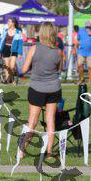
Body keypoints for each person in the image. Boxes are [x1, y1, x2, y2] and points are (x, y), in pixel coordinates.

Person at [21, 22, 63, 158]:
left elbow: (24, 69)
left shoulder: (34, 48)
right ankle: (49, 152)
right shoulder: (58, 51)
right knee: (50, 120)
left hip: (37, 88)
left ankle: (22, 151)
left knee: (32, 121)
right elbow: (59, 70)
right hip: (54, 88)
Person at [0, 17, 23, 84]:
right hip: (6, 49)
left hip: (14, 50)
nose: (7, 23)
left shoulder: (18, 32)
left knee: (12, 67)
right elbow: (0, 41)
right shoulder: (5, 31)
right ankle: (8, 81)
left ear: (13, 23)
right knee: (7, 66)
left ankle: (13, 79)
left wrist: (20, 53)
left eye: (9, 21)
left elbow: (20, 44)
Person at [75, 20, 91, 84]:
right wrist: (75, 48)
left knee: (90, 67)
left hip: (90, 52)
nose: (87, 28)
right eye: (86, 27)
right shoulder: (80, 30)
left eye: (89, 27)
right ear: (85, 26)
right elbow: (78, 40)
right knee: (79, 65)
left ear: (90, 26)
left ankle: (90, 81)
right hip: (81, 51)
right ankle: (82, 78)